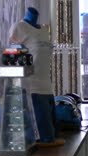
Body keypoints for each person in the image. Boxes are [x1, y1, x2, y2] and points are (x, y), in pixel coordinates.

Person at [8, 7, 65, 147]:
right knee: (45, 136)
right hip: (32, 86)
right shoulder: (19, 28)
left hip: (47, 85)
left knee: (52, 133)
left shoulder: (44, 30)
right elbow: (11, 60)